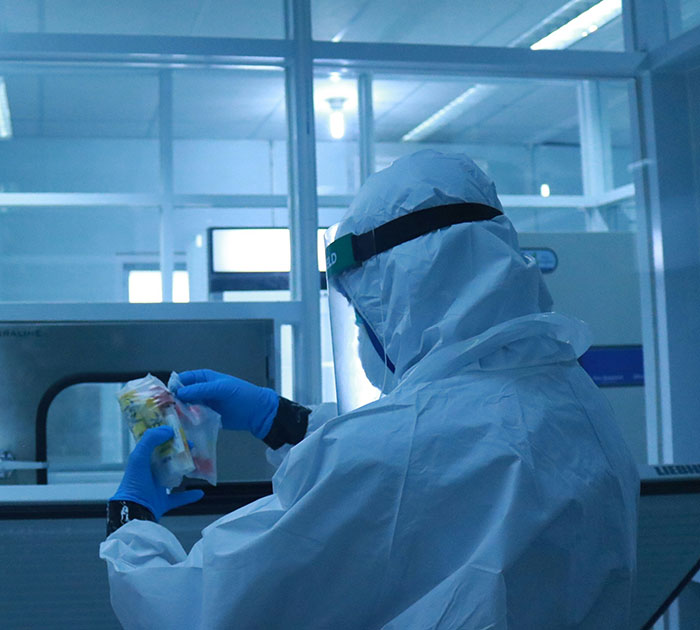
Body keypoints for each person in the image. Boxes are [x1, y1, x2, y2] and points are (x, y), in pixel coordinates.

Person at [100, 150, 639, 629]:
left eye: (362, 314)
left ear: (401, 298)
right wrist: (284, 420)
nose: (360, 332)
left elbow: (197, 608)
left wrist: (131, 525)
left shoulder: (399, 450)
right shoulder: (575, 400)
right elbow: (438, 464)